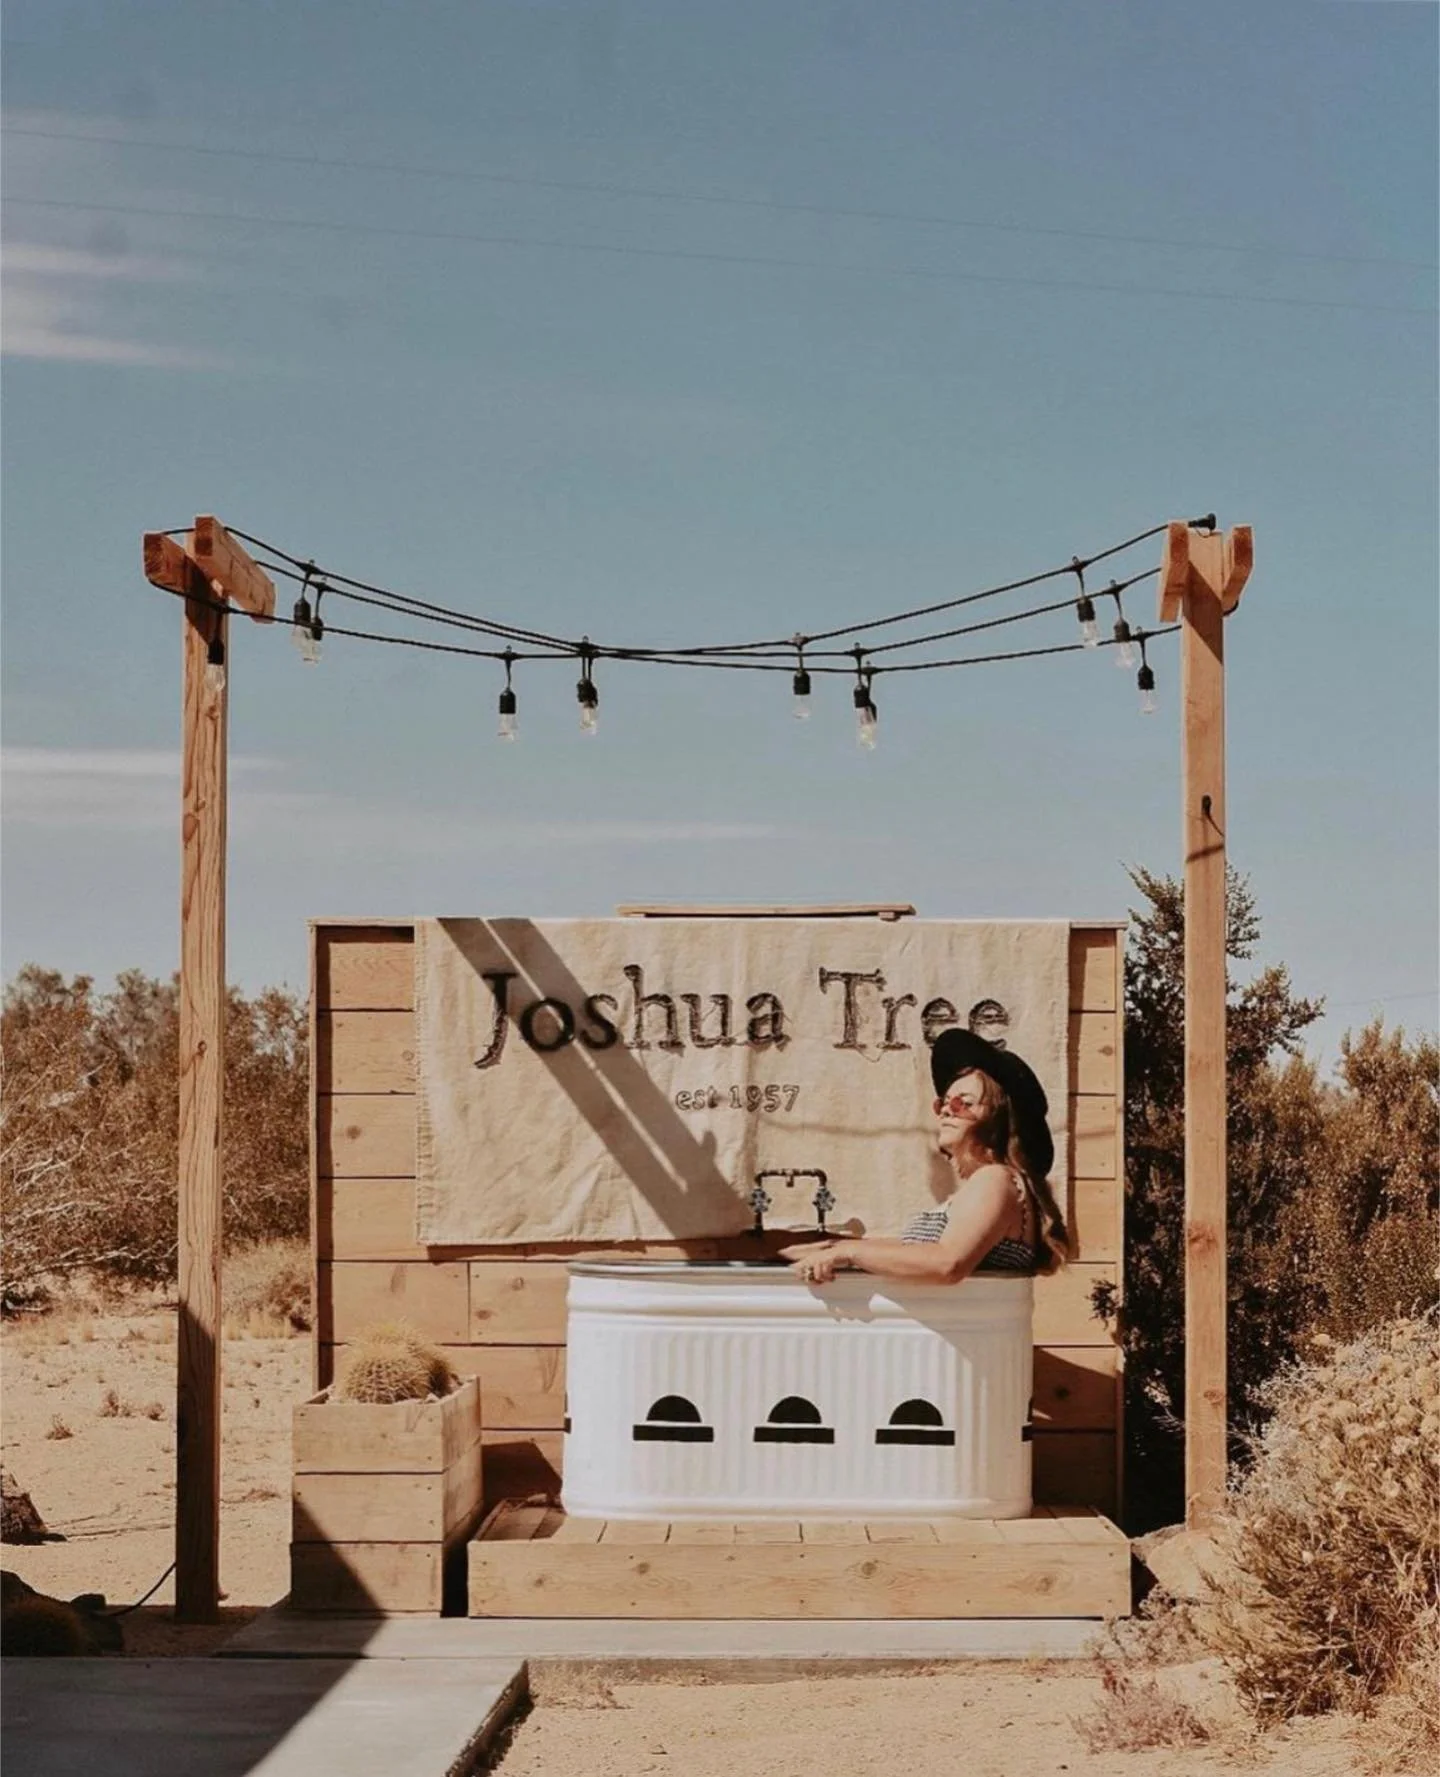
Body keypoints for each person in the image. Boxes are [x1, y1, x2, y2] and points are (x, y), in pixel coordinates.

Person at [779, 1027, 1070, 1285]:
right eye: (943, 1102)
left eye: (962, 1103)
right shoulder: (998, 1182)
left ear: (998, 1118)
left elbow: (947, 1262)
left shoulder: (995, 1179)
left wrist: (850, 1253)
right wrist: (833, 1247)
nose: (946, 1109)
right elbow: (920, 1250)